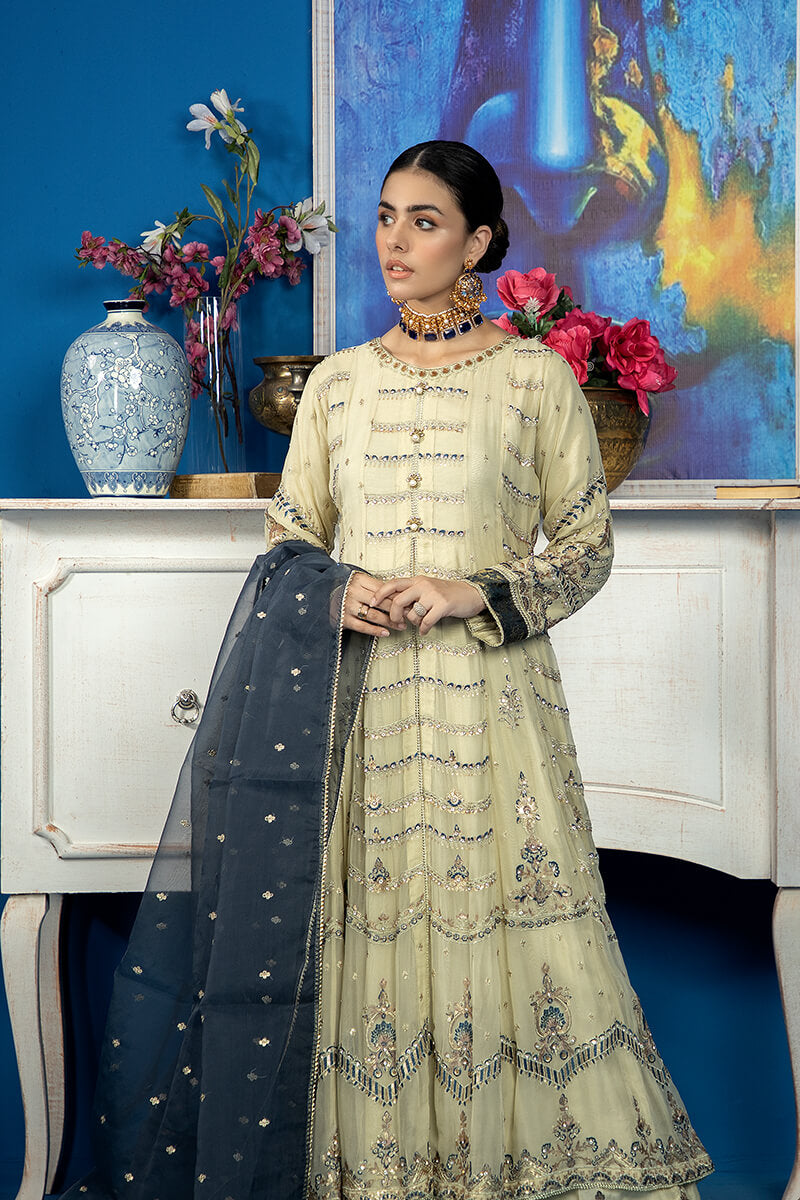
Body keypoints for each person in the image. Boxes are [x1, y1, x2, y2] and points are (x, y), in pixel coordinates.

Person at [62, 141, 712, 1200]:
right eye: (384, 216)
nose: (395, 241)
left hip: (493, 712)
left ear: (479, 244)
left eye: (425, 221)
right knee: (366, 928)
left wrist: (471, 591)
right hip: (358, 712)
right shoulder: (339, 387)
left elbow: (585, 547)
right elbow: (290, 538)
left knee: (508, 928)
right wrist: (337, 590)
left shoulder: (534, 379)